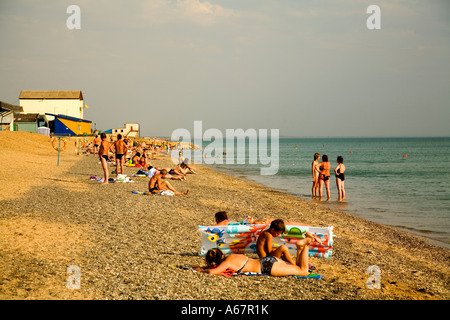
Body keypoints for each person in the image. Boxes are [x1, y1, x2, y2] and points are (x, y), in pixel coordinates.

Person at [194, 237, 314, 277]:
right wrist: (202, 267)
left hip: (267, 267)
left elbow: (212, 272)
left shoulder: (226, 263)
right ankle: (299, 248)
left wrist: (202, 270)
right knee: (298, 268)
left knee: (303, 271)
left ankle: (306, 244)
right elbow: (217, 267)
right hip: (268, 261)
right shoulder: (231, 256)